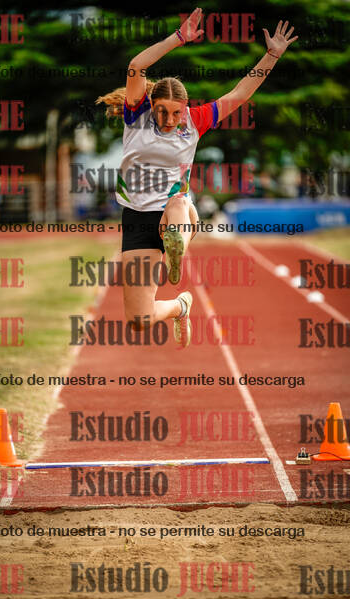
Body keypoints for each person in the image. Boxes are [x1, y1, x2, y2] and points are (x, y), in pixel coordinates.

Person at [96, 8, 297, 347]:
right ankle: (180, 306)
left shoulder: (196, 120)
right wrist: (178, 38)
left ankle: (177, 242)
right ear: (150, 104)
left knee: (176, 205)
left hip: (175, 209)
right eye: (162, 111)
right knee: (139, 320)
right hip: (137, 218)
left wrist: (271, 56)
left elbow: (239, 94)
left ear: (186, 107)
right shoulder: (136, 115)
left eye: (176, 112)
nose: (169, 119)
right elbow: (136, 66)